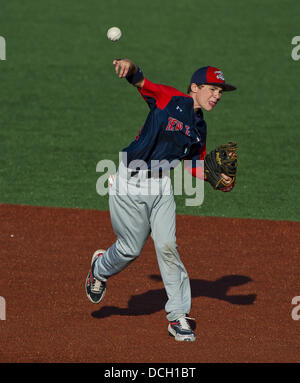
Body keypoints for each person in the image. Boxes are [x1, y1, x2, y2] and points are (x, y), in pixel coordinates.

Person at [85, 59, 237, 342]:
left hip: (161, 187)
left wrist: (215, 180)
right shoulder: (170, 98)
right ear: (195, 87)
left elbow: (193, 163)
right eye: (213, 89)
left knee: (167, 246)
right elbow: (142, 83)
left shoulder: (200, 127)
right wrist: (130, 69)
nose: (217, 95)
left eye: (220, 92)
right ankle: (100, 268)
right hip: (129, 183)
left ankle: (178, 317)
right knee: (130, 250)